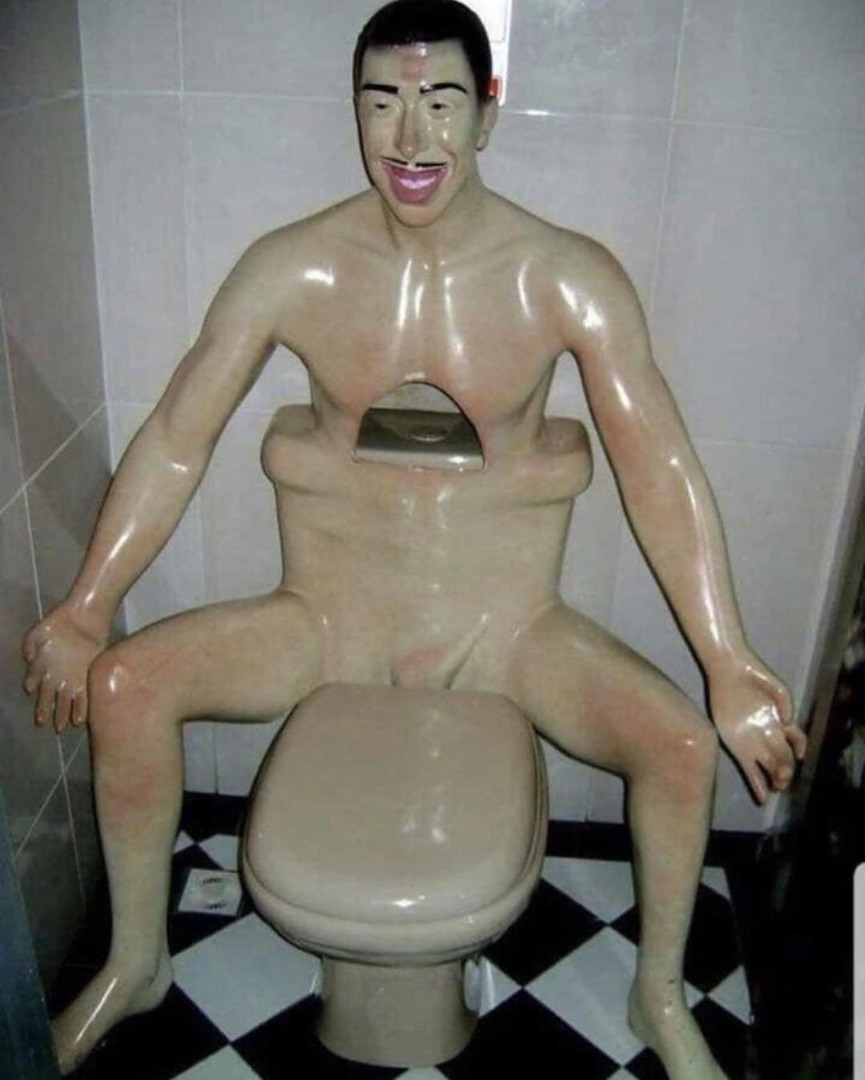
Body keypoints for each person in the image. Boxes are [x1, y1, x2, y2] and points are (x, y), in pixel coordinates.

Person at [21, 1, 806, 1076]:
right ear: (353, 111)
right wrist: (86, 606)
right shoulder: (294, 268)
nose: (408, 137)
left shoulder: (562, 276)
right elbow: (172, 441)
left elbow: (658, 468)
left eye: (439, 103)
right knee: (124, 686)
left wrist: (726, 658)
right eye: (381, 103)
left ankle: (657, 994)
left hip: (506, 630)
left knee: (675, 744)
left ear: (488, 112)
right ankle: (135, 960)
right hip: (328, 620)